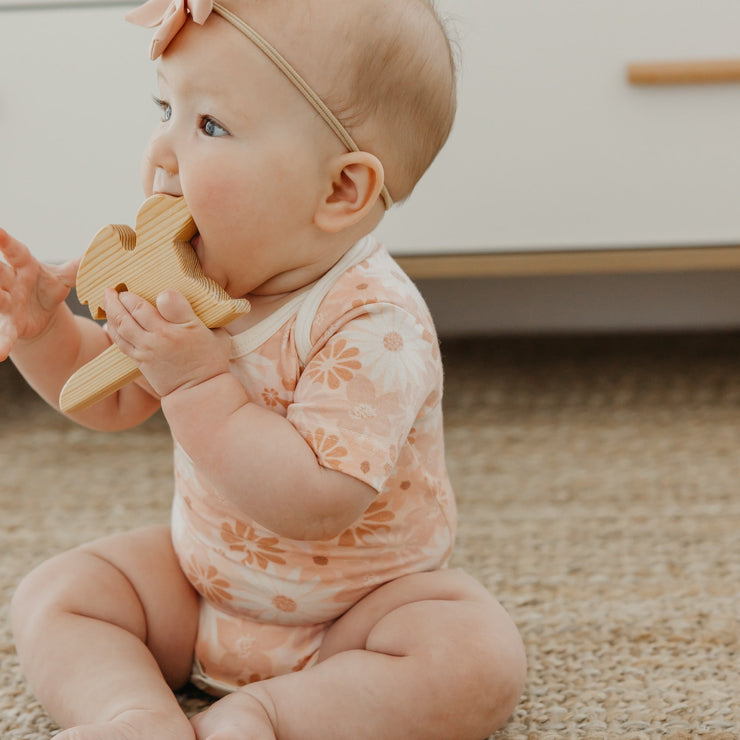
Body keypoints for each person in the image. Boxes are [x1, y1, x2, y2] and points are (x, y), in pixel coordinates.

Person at [1, 1, 527, 738]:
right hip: (203, 586)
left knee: (474, 656)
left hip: (357, 615)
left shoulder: (374, 324)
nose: (162, 150)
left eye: (209, 125)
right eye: (164, 107)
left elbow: (317, 502)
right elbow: (110, 396)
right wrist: (42, 331)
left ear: (340, 190)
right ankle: (133, 718)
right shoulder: (194, 272)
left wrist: (196, 384)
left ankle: (271, 719)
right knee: (58, 594)